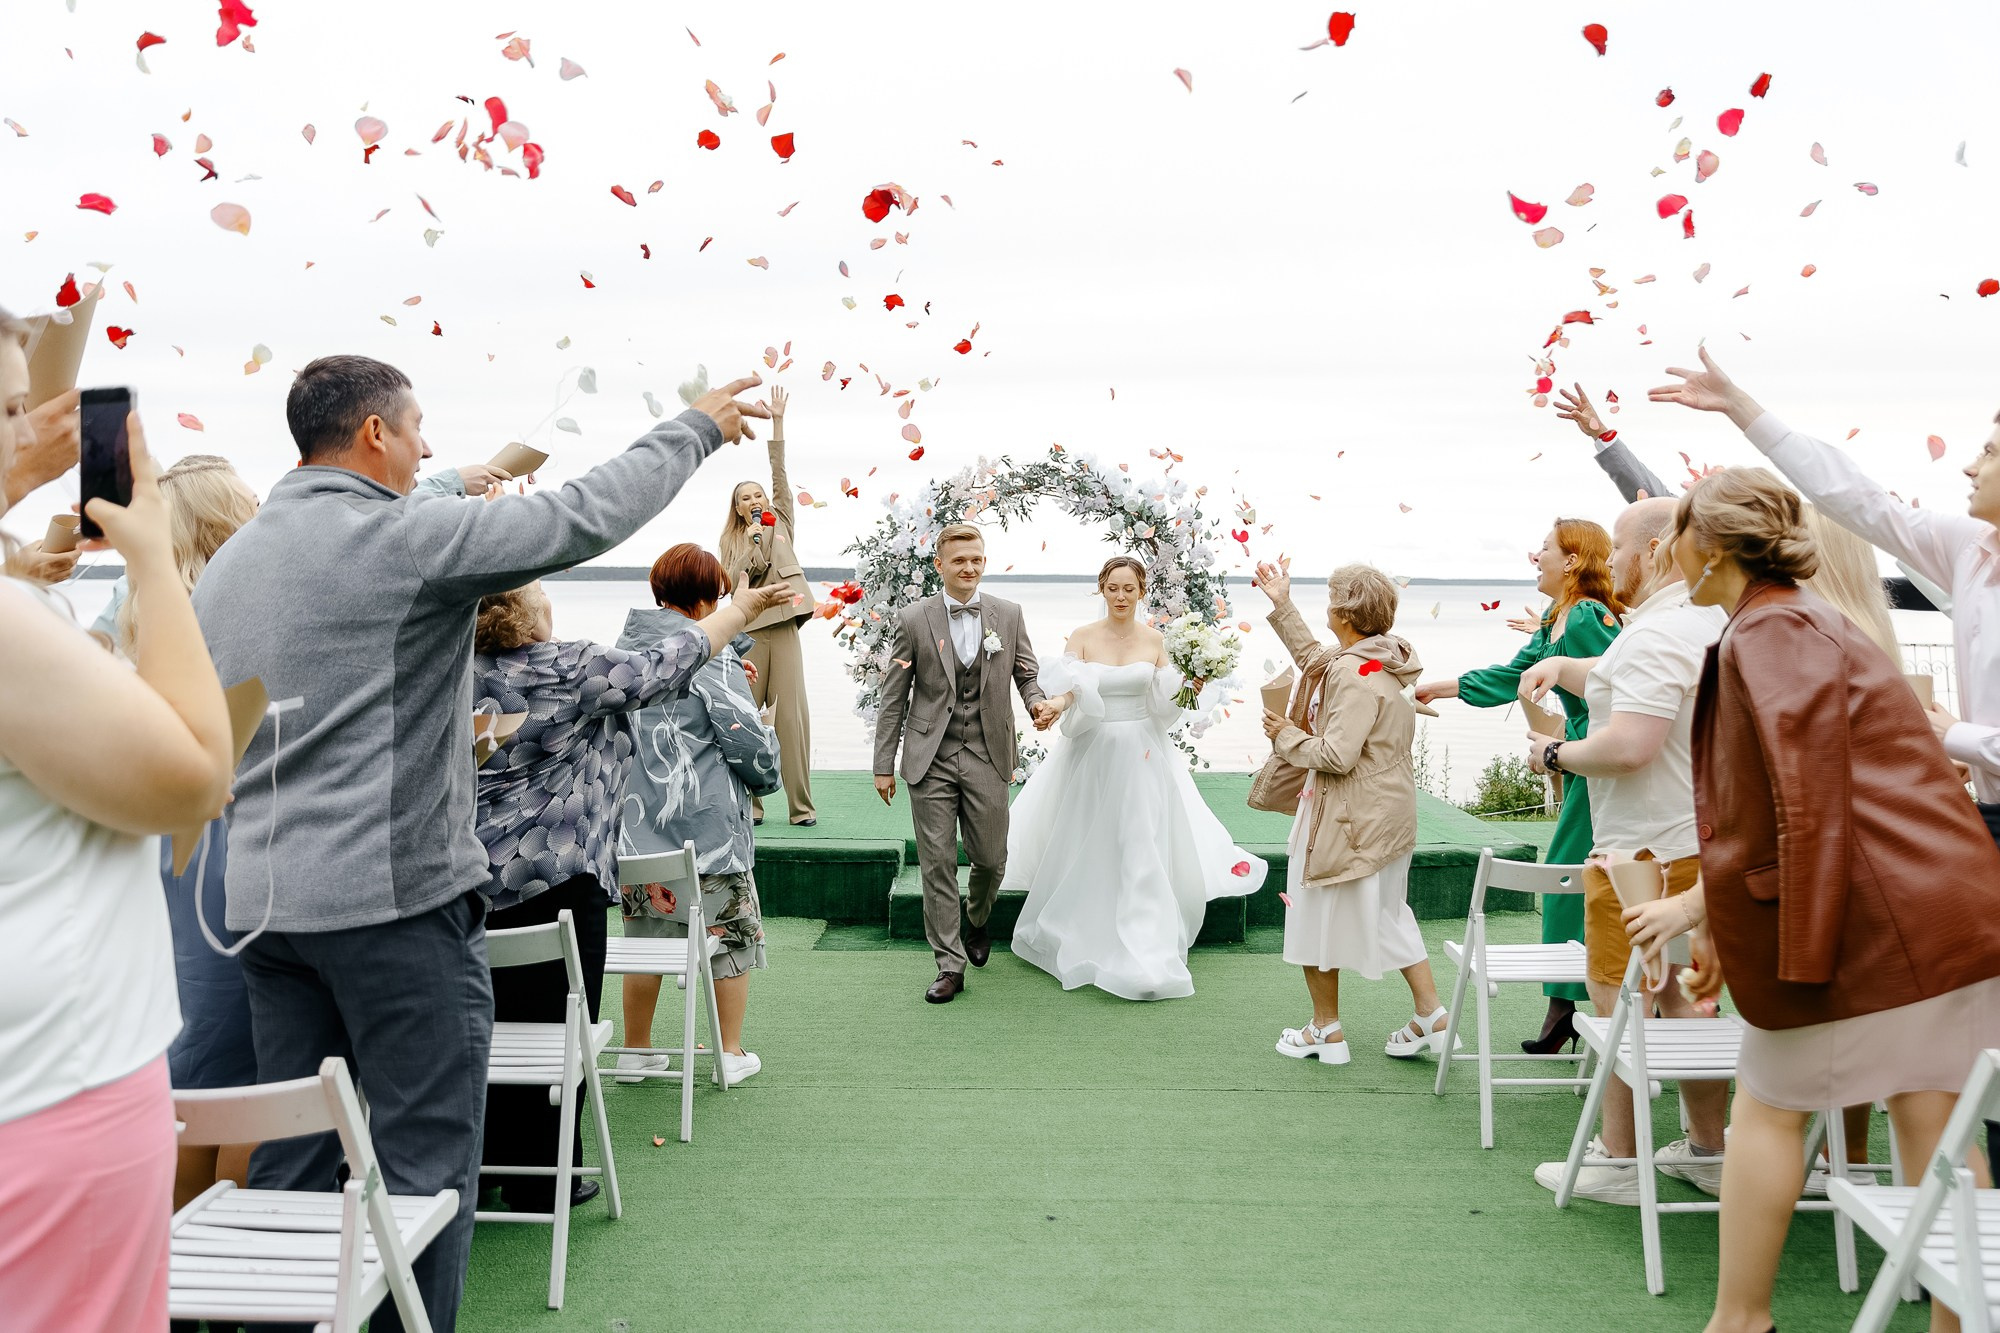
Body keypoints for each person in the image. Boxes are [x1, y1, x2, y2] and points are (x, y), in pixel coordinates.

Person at [192, 353, 769, 1332]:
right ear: (375, 433)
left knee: (295, 1154)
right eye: (417, 430)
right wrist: (697, 428)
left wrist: (456, 481)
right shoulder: (405, 540)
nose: (426, 450)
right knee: (423, 1166)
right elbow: (582, 513)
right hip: (393, 912)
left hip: (267, 913)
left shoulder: (241, 559)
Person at [1671, 465, 2000, 1333]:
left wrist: (1796, 957)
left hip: (1878, 923)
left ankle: (1740, 1320)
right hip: (1941, 911)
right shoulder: (1798, 619)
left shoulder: (1774, 630)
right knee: (1932, 1108)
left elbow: (1807, 801)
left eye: (1678, 532)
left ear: (1707, 548)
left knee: (1771, 1108)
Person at [0, 306, 235, 1331]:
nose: (32, 431)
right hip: (55, 1085)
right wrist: (146, 552)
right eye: (9, 409)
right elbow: (190, 774)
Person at [471, 572, 785, 1210]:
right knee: (563, 1024)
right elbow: (666, 663)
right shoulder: (567, 666)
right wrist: (740, 613)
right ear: (530, 615)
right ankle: (546, 1178)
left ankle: (481, 1160)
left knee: (486, 1026)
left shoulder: (453, 669)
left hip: (469, 878)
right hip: (560, 880)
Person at [1511, 498, 1731, 1203]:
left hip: (1641, 855)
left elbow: (1630, 744)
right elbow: (1634, 688)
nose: (1615, 560)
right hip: (1699, 841)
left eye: (1624, 547)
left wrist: (1554, 752)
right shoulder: (1707, 622)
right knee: (1689, 1003)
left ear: (1658, 549)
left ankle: (1617, 1158)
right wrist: (1571, 669)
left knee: (1615, 1001)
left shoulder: (1656, 632)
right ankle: (1708, 1148)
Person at [1002, 555, 1266, 1001]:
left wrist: (1189, 688)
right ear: (1101, 590)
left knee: (1140, 838)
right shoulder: (1083, 638)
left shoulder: (1158, 640)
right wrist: (1054, 707)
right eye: (1113, 588)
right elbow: (1073, 690)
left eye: (1129, 588)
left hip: (1144, 751)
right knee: (1092, 837)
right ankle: (1085, 926)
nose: (1121, 596)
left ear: (1142, 591)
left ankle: (1146, 943)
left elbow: (1164, 708)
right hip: (1095, 751)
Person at [113, 455, 263, 1215]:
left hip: (163, 854)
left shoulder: (142, 615)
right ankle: (235, 1268)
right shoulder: (252, 610)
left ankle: (177, 1269)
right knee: (253, 1070)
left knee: (193, 1059)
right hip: (238, 842)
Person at [1415, 519, 1622, 1052]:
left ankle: (1573, 1008)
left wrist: (1570, 752)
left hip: (1604, 771)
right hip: (1582, 767)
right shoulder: (1557, 618)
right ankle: (1568, 1009)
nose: (1536, 556)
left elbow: (1617, 687)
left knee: (1571, 878)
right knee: (1575, 879)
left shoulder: (1586, 617)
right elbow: (1514, 677)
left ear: (1573, 560)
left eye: (1546, 549)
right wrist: (1445, 687)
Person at [1252, 558, 1448, 1059]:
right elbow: (1320, 660)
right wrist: (1282, 603)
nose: (1328, 607)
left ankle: (1325, 1030)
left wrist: (1286, 735)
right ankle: (1431, 1016)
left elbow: (1337, 755)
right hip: (1387, 813)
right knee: (1389, 913)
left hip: (1348, 815)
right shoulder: (1380, 660)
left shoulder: (1353, 674)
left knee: (1312, 912)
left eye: (1332, 599)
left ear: (1344, 611)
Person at [615, 544, 785, 1084]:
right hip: (708, 829)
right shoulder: (712, 658)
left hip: (639, 829)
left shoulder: (624, 653)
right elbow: (745, 743)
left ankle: (636, 1051)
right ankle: (728, 1054)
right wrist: (770, 746)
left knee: (644, 934)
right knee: (731, 935)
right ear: (708, 598)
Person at [873, 523, 1049, 1004]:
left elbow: (1026, 674)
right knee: (937, 863)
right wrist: (883, 763)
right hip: (929, 757)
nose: (968, 567)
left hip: (989, 753)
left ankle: (977, 917)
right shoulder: (913, 619)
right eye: (958, 560)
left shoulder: (1008, 615)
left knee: (992, 860)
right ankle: (948, 965)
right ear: (940, 565)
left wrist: (1037, 704)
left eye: (976, 559)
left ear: (984, 562)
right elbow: (894, 698)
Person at [718, 384, 816, 826]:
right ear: (738, 509)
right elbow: (737, 576)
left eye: (758, 495)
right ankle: (752, 807)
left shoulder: (783, 522)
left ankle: (801, 809)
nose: (755, 501)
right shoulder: (734, 539)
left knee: (791, 718)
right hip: (750, 630)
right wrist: (753, 542)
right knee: (748, 717)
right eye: (746, 498)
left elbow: (779, 470)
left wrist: (777, 421)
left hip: (787, 626)